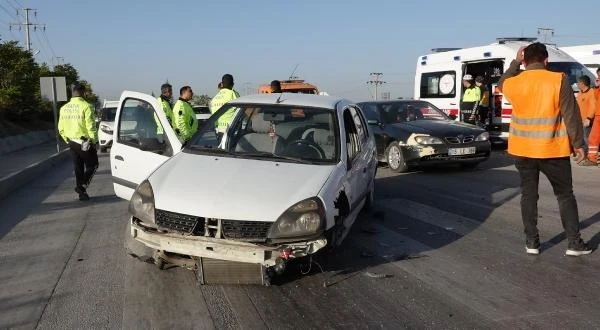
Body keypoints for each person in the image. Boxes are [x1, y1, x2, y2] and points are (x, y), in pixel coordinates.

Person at [498, 42, 591, 256]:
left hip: (523, 151)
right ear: (546, 60)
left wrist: (515, 63)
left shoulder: (515, 82)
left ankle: (532, 243)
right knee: (565, 196)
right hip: (553, 150)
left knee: (528, 196)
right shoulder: (558, 80)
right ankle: (574, 244)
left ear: (525, 60)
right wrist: (578, 144)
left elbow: (501, 84)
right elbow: (571, 115)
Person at [58, 83, 99, 201]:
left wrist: (67, 139)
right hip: (84, 142)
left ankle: (82, 194)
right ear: (83, 92)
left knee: (78, 167)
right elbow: (91, 126)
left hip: (71, 142)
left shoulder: (63, 108)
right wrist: (94, 141)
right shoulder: (86, 106)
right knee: (93, 165)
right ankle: (81, 186)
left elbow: (60, 127)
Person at [575, 75, 596, 158]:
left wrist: (589, 118)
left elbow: (593, 106)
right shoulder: (580, 93)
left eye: (578, 83)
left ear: (583, 83)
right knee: (582, 138)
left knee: (587, 138)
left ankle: (589, 155)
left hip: (587, 121)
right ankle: (584, 153)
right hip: (580, 120)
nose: (577, 84)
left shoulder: (591, 92)